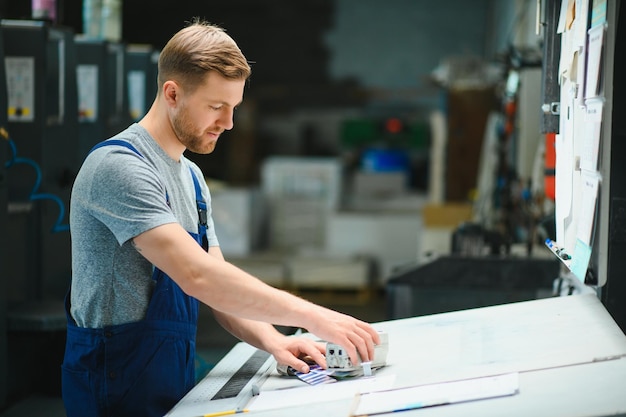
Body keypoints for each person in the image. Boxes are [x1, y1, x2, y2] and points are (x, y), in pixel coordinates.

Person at [61, 19, 380, 417]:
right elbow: (197, 276)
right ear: (172, 93)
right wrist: (316, 316)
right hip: (112, 386)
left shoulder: (191, 177)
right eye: (216, 107)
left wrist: (273, 340)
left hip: (166, 379)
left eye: (233, 108)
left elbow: (215, 283)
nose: (228, 123)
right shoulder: (119, 167)